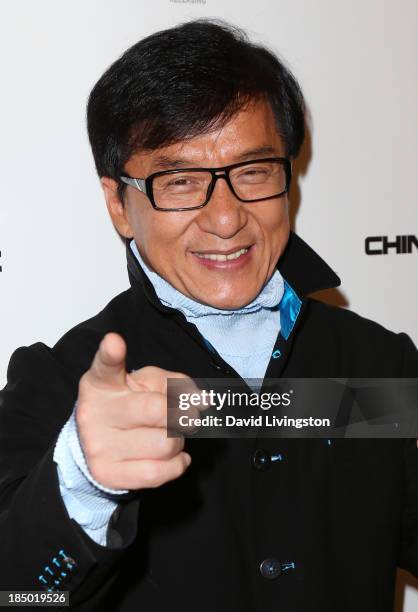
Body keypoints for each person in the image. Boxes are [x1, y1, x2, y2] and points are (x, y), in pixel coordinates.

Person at [0, 17, 417, 612]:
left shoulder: (379, 364)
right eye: (179, 181)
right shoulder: (57, 383)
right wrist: (82, 485)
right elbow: (16, 596)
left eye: (253, 172)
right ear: (119, 204)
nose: (226, 218)